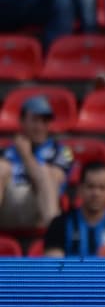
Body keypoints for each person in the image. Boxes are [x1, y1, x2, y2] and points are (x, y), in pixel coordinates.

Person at [0, 94, 74, 234]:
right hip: (7, 207)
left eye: (45, 121)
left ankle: (54, 237)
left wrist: (26, 155)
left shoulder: (63, 152)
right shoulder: (5, 152)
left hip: (40, 209)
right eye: (35, 120)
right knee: (1, 167)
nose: (40, 126)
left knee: (46, 172)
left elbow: (57, 180)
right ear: (22, 121)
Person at [43, 161, 105, 258]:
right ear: (80, 189)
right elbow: (54, 267)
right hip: (70, 274)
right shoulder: (59, 224)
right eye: (90, 187)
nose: (96, 193)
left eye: (102, 188)